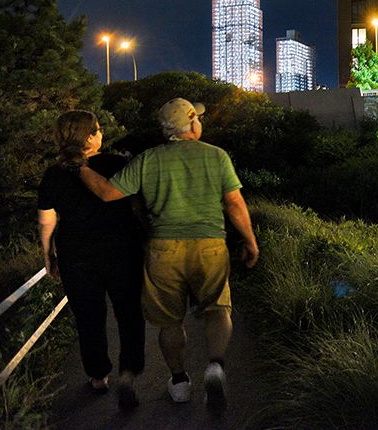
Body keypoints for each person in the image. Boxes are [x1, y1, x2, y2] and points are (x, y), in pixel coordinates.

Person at [79, 97, 259, 411]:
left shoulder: (148, 160)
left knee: (169, 323)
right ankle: (215, 366)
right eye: (198, 118)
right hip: (209, 245)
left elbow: (108, 193)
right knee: (219, 310)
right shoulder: (216, 156)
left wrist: (80, 167)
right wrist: (250, 241)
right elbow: (234, 204)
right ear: (191, 123)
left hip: (163, 250)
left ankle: (179, 381)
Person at [37, 110, 145, 411]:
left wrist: (48, 255)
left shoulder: (53, 174)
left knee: (89, 319)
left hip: (77, 256)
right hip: (122, 252)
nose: (101, 134)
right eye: (97, 129)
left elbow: (46, 222)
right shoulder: (116, 164)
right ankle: (128, 373)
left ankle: (99, 376)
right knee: (129, 313)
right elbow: (137, 207)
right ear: (89, 136)